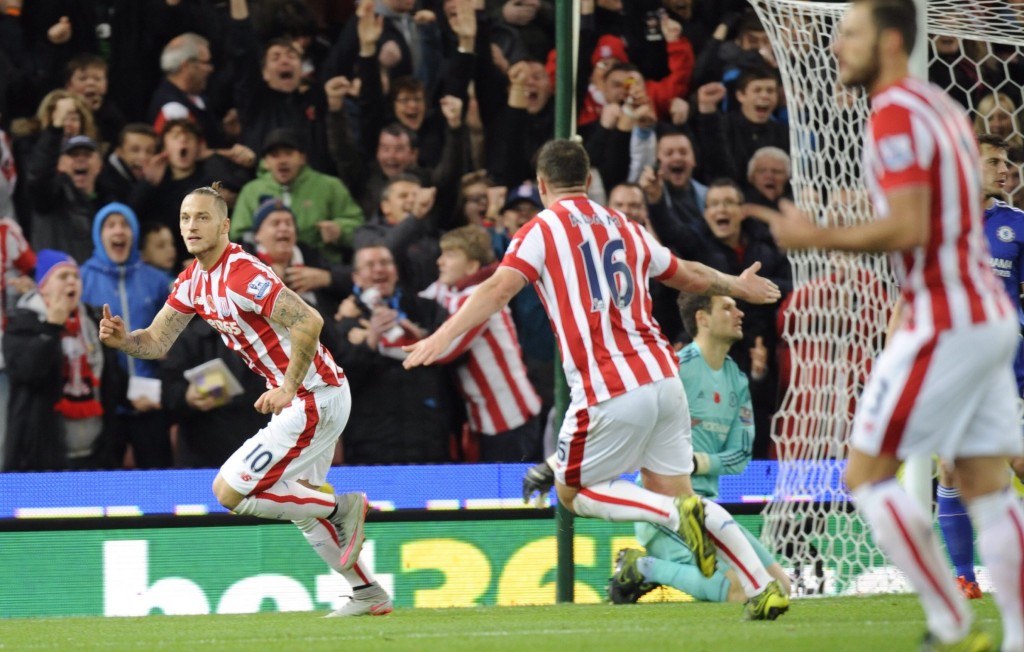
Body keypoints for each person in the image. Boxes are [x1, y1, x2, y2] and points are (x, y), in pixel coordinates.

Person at [403, 138, 789, 620]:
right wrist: (736, 285)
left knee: (573, 492)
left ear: (543, 184)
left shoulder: (540, 230)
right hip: (664, 378)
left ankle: (672, 516)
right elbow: (685, 273)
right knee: (682, 492)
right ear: (587, 181)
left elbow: (500, 286)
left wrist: (443, 333)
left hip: (608, 386)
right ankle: (761, 586)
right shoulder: (623, 225)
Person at [747, 2, 1024, 649]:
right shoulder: (945, 112)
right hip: (984, 312)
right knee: (988, 483)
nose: (837, 47)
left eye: (851, 34)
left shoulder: (895, 113)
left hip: (947, 316)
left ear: (892, 40)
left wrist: (813, 233)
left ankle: (949, 621)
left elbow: (907, 225)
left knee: (864, 476)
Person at [97, 183, 392, 617]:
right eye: (185, 218)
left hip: (313, 395)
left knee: (230, 490)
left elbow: (310, 319)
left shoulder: (242, 274)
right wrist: (125, 341)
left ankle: (342, 507)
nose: (191, 226)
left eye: (202, 217)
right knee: (300, 506)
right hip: (311, 396)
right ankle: (368, 593)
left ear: (224, 225)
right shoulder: (194, 281)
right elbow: (157, 341)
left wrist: (288, 387)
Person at [607, 293, 790, 605]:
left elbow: (740, 456)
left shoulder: (737, 379)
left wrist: (694, 462)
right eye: (727, 307)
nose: (738, 313)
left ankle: (646, 567)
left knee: (780, 586)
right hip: (666, 508)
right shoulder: (675, 370)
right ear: (702, 319)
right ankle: (642, 567)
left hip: (709, 508)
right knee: (739, 592)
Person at [935, 134, 1024, 602]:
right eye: (993, 161)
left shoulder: (1017, 225)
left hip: (1008, 362)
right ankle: (964, 576)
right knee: (951, 468)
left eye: (1007, 162)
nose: (1004, 169)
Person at [421, 225, 542, 462]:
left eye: (450, 255)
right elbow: (419, 298)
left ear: (472, 266)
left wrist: (385, 340)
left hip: (510, 420)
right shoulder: (449, 289)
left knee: (511, 498)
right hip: (485, 421)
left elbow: (443, 351)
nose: (440, 262)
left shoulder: (479, 300)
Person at [81, 203, 175, 469]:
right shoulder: (82, 278)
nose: (118, 230)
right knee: (106, 485)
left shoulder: (156, 280)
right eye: (110, 225)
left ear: (133, 233)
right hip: (107, 404)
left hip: (152, 400)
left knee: (158, 480)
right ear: (99, 235)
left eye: (124, 224)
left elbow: (176, 332)